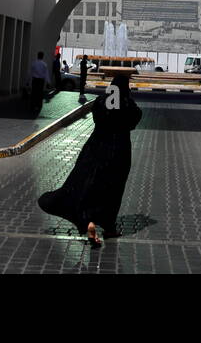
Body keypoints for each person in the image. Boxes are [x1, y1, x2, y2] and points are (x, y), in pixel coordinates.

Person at [38, 68, 141, 247]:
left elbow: (96, 117)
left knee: (90, 184)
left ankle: (88, 220)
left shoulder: (101, 102)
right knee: (113, 190)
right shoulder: (127, 104)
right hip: (119, 152)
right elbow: (135, 119)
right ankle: (108, 227)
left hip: (95, 149)